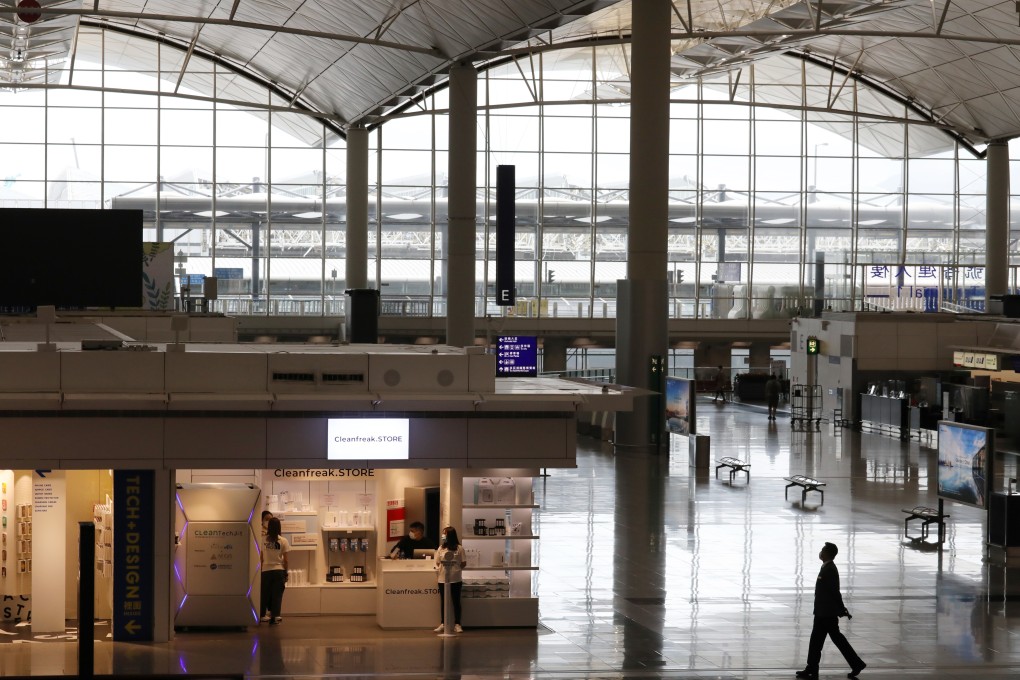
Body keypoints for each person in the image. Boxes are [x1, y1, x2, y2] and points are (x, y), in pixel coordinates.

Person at [797, 542, 866, 679]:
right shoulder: (826, 568)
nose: (820, 552)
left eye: (822, 549)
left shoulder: (830, 570)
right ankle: (811, 668)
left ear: (828, 553)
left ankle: (856, 664)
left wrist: (841, 609)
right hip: (822, 612)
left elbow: (835, 592)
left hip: (826, 614)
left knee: (835, 640)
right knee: (817, 641)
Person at [434, 526, 467, 634]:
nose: (443, 536)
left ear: (450, 535)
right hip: (442, 578)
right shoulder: (441, 548)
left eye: (445, 534)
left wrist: (455, 570)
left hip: (456, 579)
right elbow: (438, 562)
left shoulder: (459, 548)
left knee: (456, 601)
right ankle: (443, 623)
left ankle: (457, 624)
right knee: (443, 601)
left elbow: (463, 563)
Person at [260, 517, 289, 625]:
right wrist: (286, 572)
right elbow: (286, 560)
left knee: (264, 594)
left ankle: (262, 615)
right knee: (277, 594)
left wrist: (262, 569)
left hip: (266, 570)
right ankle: (275, 616)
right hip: (278, 570)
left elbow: (261, 558)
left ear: (269, 527)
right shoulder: (283, 541)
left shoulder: (263, 540)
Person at [259, 510, 275, 620]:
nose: (268, 522)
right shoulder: (259, 531)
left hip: (271, 565)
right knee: (263, 591)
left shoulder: (273, 533)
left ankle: (269, 612)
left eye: (270, 519)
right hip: (262, 565)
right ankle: (262, 613)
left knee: (270, 591)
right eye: (266, 519)